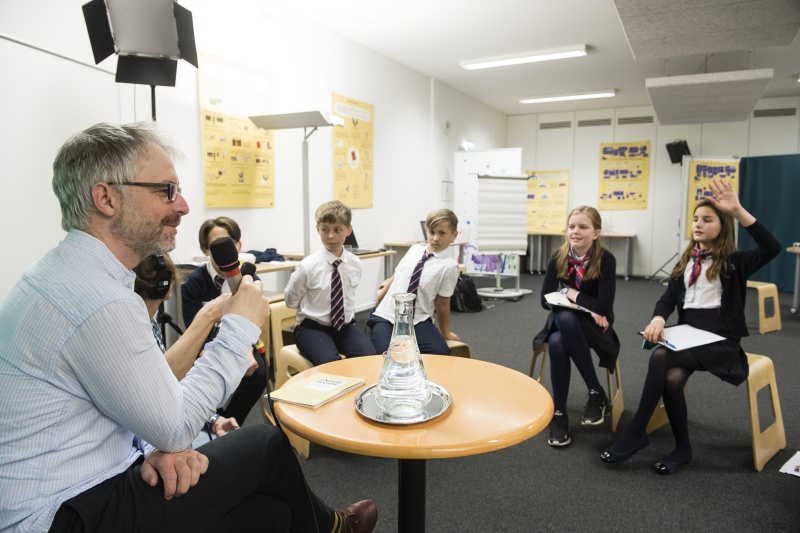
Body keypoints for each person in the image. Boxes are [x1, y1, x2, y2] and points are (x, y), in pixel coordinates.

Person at [0, 122, 376, 532]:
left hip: (82, 484)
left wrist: (152, 449)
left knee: (275, 515)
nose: (182, 206)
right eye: (166, 191)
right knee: (264, 443)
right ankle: (336, 527)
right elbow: (176, 425)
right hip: (56, 515)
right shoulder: (96, 299)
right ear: (106, 198)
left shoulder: (68, 274)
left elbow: (130, 400)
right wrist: (239, 325)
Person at [600, 179, 780, 475]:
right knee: (671, 378)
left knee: (660, 357)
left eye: (707, 220)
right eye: (696, 219)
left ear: (723, 226)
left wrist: (738, 211)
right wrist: (658, 318)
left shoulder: (735, 262)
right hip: (689, 337)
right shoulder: (687, 261)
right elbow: (668, 299)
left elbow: (771, 247)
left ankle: (636, 432)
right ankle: (682, 449)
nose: (698, 224)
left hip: (720, 342)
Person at [533, 206, 620, 447]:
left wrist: (568, 292)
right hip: (568, 320)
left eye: (583, 227)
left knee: (563, 328)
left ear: (596, 233)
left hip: (595, 326)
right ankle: (594, 392)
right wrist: (584, 303)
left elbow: (603, 306)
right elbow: (544, 299)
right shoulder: (557, 257)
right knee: (562, 329)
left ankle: (560, 413)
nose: (576, 231)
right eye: (572, 226)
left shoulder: (606, 260)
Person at [134, 253, 239, 440]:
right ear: (165, 283)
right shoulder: (135, 331)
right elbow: (162, 387)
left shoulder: (149, 324)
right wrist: (206, 316)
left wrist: (212, 420)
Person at [180, 216, 267, 425]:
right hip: (205, 345)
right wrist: (207, 350)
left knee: (258, 372)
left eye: (231, 243)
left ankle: (227, 423)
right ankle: (208, 419)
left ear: (238, 245)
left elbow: (252, 322)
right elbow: (193, 328)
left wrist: (244, 350)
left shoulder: (248, 280)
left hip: (242, 341)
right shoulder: (193, 284)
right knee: (207, 377)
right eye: (215, 245)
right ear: (205, 250)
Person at [284, 200, 376, 366]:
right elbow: (291, 300)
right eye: (325, 230)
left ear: (348, 230)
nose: (330, 236)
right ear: (318, 229)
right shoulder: (307, 267)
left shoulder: (355, 264)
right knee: (330, 364)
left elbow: (348, 296)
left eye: (337, 230)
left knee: (370, 358)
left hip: (344, 327)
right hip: (313, 328)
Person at [367, 208, 461, 354]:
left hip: (418, 320)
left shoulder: (449, 266)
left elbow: (442, 303)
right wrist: (382, 293)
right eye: (432, 232)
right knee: (387, 355)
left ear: (453, 235)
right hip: (387, 316)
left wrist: (445, 332)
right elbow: (398, 274)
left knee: (440, 354)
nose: (436, 238)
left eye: (442, 233)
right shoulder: (414, 250)